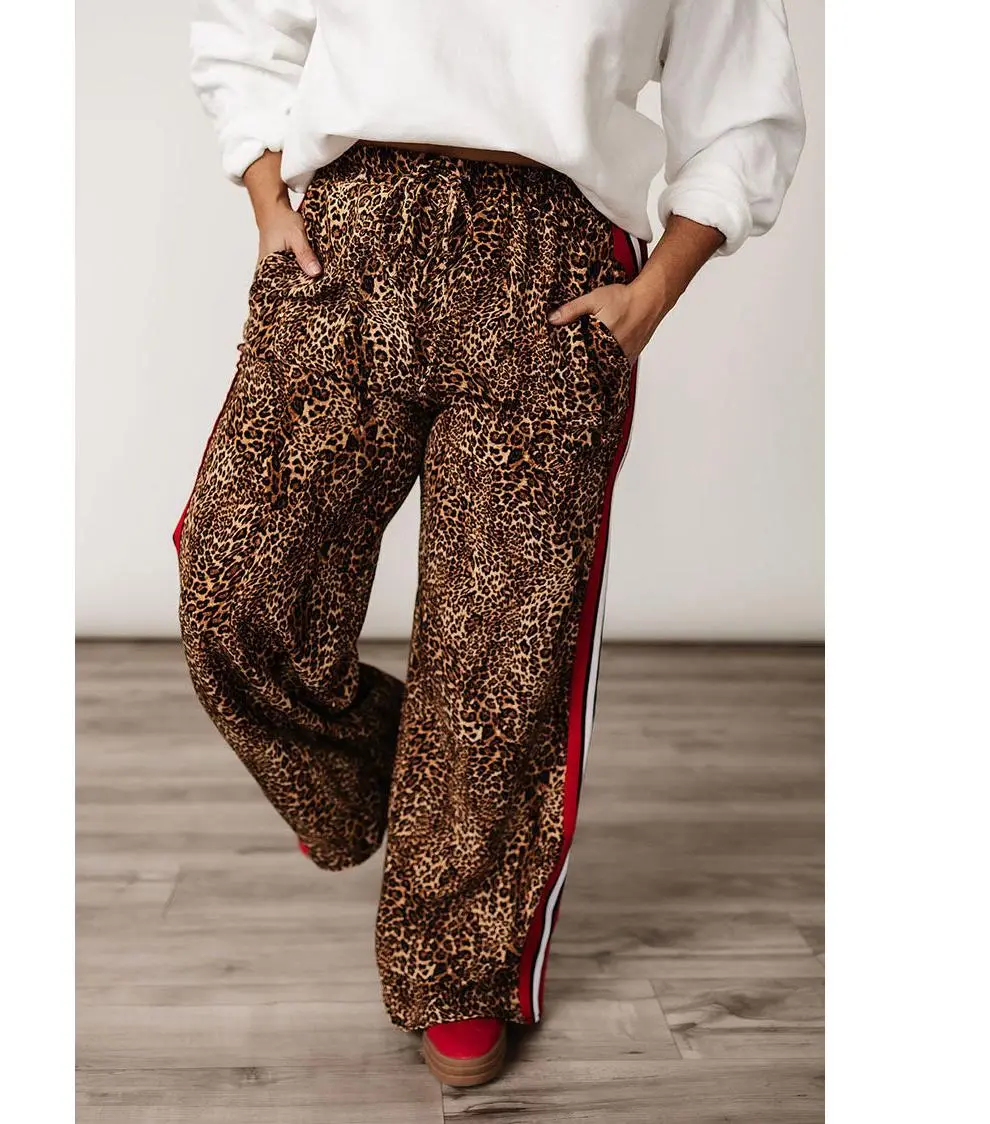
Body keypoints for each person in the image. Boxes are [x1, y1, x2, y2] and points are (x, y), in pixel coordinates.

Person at [176, 0, 805, 1088]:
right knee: (234, 589)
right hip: (353, 230)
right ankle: (397, 783)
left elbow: (745, 110)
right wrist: (270, 199)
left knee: (498, 658)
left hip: (549, 257)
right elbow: (245, 25)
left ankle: (454, 961)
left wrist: (652, 292)